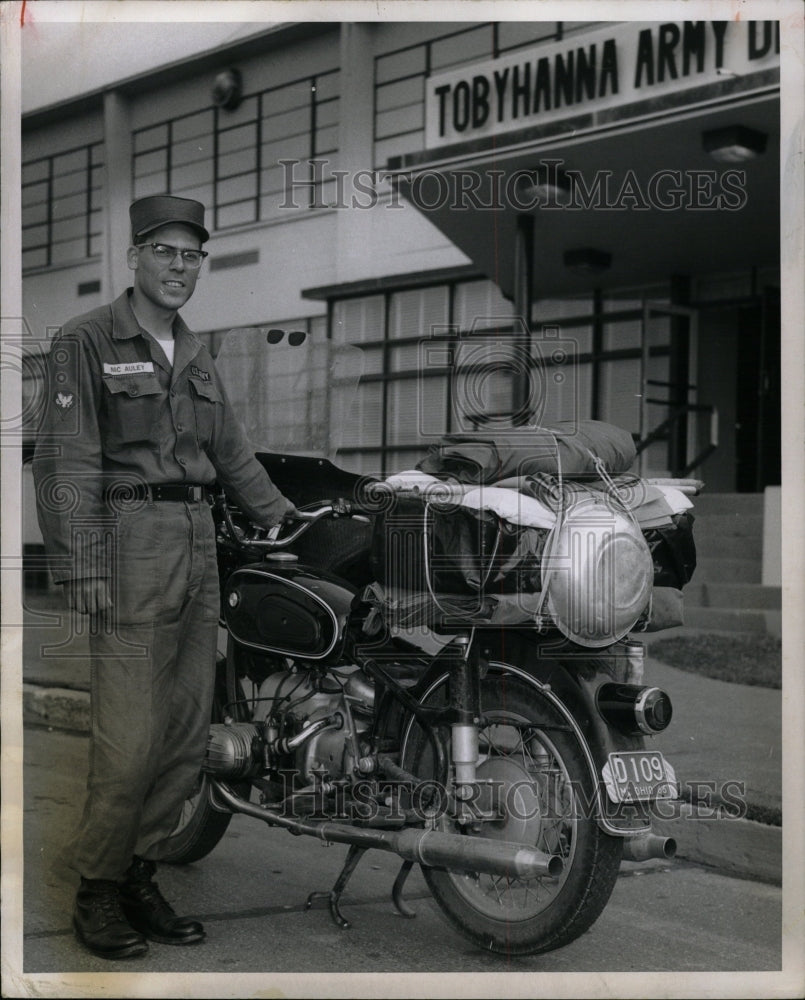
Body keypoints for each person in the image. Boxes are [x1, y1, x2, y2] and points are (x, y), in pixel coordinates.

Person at [32, 195, 295, 961]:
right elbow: (64, 457)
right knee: (129, 740)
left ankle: (140, 871)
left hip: (197, 544)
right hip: (129, 543)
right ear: (135, 257)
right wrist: (77, 560)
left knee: (185, 736)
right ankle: (97, 888)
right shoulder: (86, 341)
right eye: (165, 252)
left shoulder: (195, 351)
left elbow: (232, 453)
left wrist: (284, 521)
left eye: (192, 256)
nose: (180, 267)